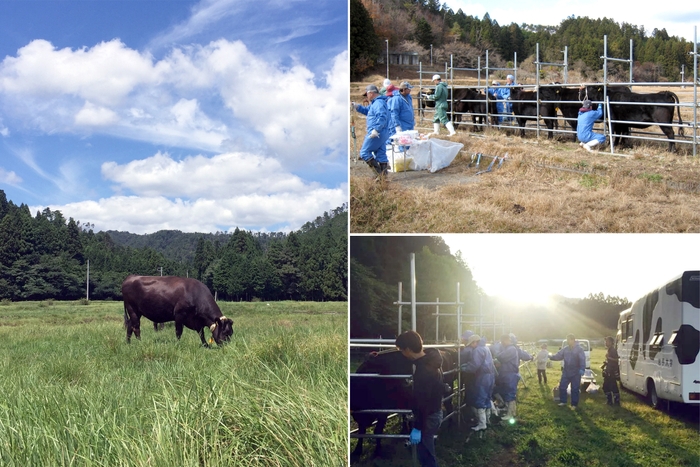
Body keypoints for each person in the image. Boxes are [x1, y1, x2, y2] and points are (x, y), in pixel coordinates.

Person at [395, 330, 443, 467]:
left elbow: (423, 402)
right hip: (435, 412)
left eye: (402, 350)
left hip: (428, 417)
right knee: (426, 450)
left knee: (426, 454)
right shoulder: (432, 360)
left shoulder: (423, 371)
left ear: (408, 350)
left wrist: (418, 427)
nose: (402, 354)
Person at [352, 84, 390, 177]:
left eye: (367, 95)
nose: (367, 97)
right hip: (382, 132)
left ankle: (378, 174)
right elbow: (367, 111)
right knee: (381, 154)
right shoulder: (375, 103)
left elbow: (382, 116)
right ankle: (383, 177)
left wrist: (376, 129)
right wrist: (357, 106)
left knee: (364, 153)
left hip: (377, 133)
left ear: (371, 93)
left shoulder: (378, 103)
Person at [460, 334, 497, 431]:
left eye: (470, 344)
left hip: (482, 377)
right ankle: (487, 420)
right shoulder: (485, 347)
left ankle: (482, 424)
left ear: (474, 342)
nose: (470, 347)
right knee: (487, 398)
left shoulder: (478, 350)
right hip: (490, 376)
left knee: (480, 398)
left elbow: (474, 366)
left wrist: (463, 368)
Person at [549, 334, 586, 410]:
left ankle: (574, 404)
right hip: (566, 371)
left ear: (573, 340)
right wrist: (550, 356)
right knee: (562, 386)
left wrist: (582, 368)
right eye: (567, 340)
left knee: (575, 389)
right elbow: (558, 355)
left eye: (569, 340)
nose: (568, 341)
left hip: (576, 372)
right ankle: (563, 401)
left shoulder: (579, 349)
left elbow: (582, 359)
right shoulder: (565, 349)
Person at [494, 334, 522, 422]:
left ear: (506, 340)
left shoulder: (511, 349)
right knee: (507, 393)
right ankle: (510, 411)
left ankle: (510, 414)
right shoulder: (509, 348)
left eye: (502, 342)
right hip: (507, 374)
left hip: (511, 374)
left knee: (510, 394)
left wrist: (496, 354)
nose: (502, 344)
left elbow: (501, 357)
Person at [387, 81, 416, 147]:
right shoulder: (396, 99)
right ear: (404, 89)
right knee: (403, 143)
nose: (410, 90)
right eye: (409, 89)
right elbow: (394, 113)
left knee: (410, 142)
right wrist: (397, 125)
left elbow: (411, 108)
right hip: (402, 124)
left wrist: (413, 118)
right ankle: (403, 154)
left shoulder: (409, 97)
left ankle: (408, 155)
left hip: (410, 124)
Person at [602, 336, 621, 406]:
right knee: (605, 386)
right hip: (608, 371)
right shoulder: (609, 350)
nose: (605, 343)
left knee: (613, 386)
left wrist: (608, 358)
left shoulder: (613, 350)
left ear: (610, 342)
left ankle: (616, 401)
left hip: (612, 371)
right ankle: (609, 401)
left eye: (606, 341)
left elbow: (616, 360)